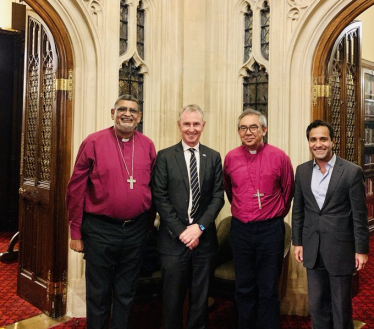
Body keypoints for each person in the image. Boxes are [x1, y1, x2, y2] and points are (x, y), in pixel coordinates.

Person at [66, 94, 156, 329]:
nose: (127, 114)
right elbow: (76, 188)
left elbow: (154, 188)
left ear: (140, 117)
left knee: (126, 293)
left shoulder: (147, 145)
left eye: (133, 110)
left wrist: (146, 227)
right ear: (112, 113)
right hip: (99, 229)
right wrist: (75, 232)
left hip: (135, 230)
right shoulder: (93, 142)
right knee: (98, 293)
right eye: (122, 109)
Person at [152, 104, 224, 329]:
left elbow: (218, 197)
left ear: (203, 126)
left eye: (196, 124)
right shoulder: (164, 156)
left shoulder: (213, 157)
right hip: (173, 242)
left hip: (204, 243)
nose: (191, 129)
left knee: (200, 302)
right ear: (179, 126)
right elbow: (159, 197)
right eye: (187, 124)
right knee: (172, 302)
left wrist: (199, 227)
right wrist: (183, 231)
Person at [292, 119, 369, 329]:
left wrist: (361, 250)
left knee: (341, 307)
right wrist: (297, 242)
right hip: (312, 248)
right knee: (317, 306)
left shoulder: (351, 172)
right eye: (313, 139)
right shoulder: (302, 171)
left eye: (323, 139)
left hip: (341, 249)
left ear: (332, 141)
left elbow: (359, 215)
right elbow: (298, 210)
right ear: (308, 142)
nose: (319, 144)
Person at [223, 108, 294, 329]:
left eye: (254, 127)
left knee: (268, 287)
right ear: (238, 132)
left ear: (264, 129)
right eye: (243, 128)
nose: (248, 132)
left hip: (270, 230)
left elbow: (288, 190)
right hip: (241, 230)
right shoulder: (231, 157)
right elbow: (229, 190)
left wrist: (272, 215)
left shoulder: (279, 156)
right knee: (243, 286)